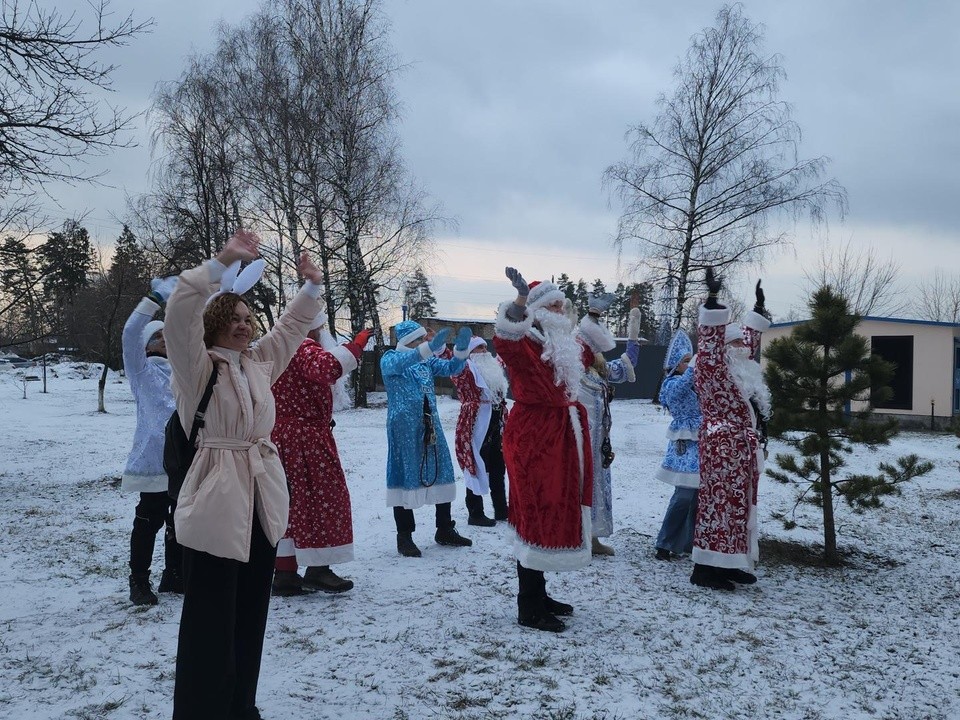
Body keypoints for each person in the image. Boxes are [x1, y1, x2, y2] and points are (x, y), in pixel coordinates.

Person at [164, 229, 324, 720]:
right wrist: (220, 263)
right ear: (214, 322)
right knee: (210, 619)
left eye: (247, 317)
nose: (244, 325)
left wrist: (313, 286)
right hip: (216, 500)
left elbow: (291, 329)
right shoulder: (196, 368)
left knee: (250, 615)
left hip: (261, 498)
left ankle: (240, 706)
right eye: (233, 318)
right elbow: (179, 315)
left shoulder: (257, 364)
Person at [495, 268, 593, 633]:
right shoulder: (523, 345)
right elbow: (504, 339)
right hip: (534, 438)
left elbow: (587, 352)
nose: (560, 310)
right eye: (551, 304)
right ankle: (528, 606)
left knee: (551, 508)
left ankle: (540, 593)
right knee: (535, 512)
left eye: (561, 305)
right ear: (536, 310)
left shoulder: (559, 343)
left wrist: (595, 316)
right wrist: (519, 302)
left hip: (560, 436)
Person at [270, 315, 372, 596]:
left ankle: (285, 573)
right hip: (306, 439)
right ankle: (319, 569)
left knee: (290, 504)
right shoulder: (302, 346)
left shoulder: (278, 347)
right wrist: (356, 346)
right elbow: (328, 368)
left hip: (282, 436)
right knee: (323, 499)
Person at [691, 268, 772, 591]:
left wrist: (758, 311)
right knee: (718, 505)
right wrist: (712, 301)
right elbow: (710, 339)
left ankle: (732, 561)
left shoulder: (740, 368)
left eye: (743, 339)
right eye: (736, 340)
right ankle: (705, 568)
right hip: (721, 445)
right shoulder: (711, 367)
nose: (744, 344)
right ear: (723, 347)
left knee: (739, 506)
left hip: (741, 447)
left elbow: (750, 342)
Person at [381, 320, 474, 557]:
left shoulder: (425, 361)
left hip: (430, 425)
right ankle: (405, 536)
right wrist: (428, 348)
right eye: (421, 339)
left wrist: (461, 353)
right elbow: (405, 360)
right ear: (409, 340)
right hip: (403, 429)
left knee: (442, 471)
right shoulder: (390, 358)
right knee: (405, 475)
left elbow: (451, 368)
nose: (426, 342)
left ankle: (444, 528)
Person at [120, 275, 180, 606]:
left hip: (184, 458)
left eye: (167, 335)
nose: (165, 340)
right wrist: (155, 299)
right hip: (154, 459)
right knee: (149, 520)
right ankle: (139, 580)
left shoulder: (183, 372)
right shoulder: (142, 371)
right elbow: (130, 331)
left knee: (180, 520)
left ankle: (174, 574)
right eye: (158, 336)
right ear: (146, 345)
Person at [576, 296, 641, 556]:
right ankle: (574, 537)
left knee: (597, 487)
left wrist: (634, 333)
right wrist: (591, 316)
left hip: (599, 443)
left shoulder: (600, 371)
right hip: (577, 442)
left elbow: (628, 364)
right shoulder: (571, 372)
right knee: (578, 486)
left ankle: (592, 538)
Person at [450, 337, 510, 526]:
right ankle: (475, 513)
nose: (484, 351)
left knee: (498, 467)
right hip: (475, 424)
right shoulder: (465, 368)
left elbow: (506, 354)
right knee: (475, 464)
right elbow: (454, 366)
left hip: (496, 422)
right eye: (478, 348)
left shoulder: (493, 365)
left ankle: (501, 510)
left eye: (485, 346)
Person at [653, 330, 701, 561]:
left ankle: (688, 544)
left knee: (698, 498)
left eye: (690, 359)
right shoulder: (671, 383)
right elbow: (679, 391)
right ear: (676, 364)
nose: (690, 364)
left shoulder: (695, 383)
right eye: (685, 360)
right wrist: (693, 368)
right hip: (684, 445)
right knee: (683, 496)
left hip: (702, 444)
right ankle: (664, 543)